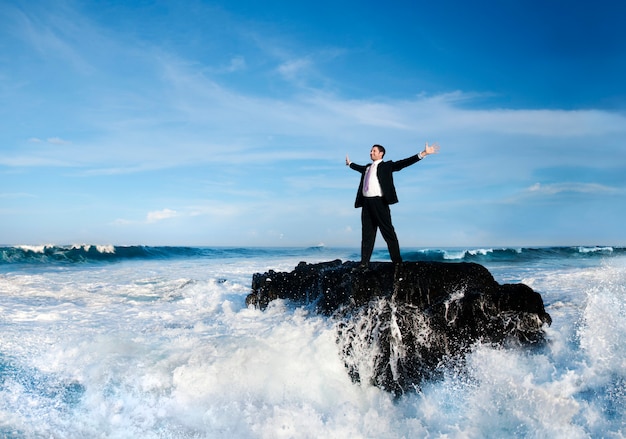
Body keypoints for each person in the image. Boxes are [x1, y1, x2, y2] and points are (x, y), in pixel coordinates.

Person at [345, 142, 440, 267]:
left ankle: (397, 262)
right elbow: (358, 168)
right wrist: (350, 164)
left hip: (380, 203)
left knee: (388, 232)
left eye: (374, 151)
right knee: (367, 234)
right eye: (370, 151)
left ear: (381, 153)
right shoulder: (367, 167)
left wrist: (423, 153)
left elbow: (403, 163)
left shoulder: (387, 166)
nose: (371, 153)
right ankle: (364, 263)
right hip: (366, 204)